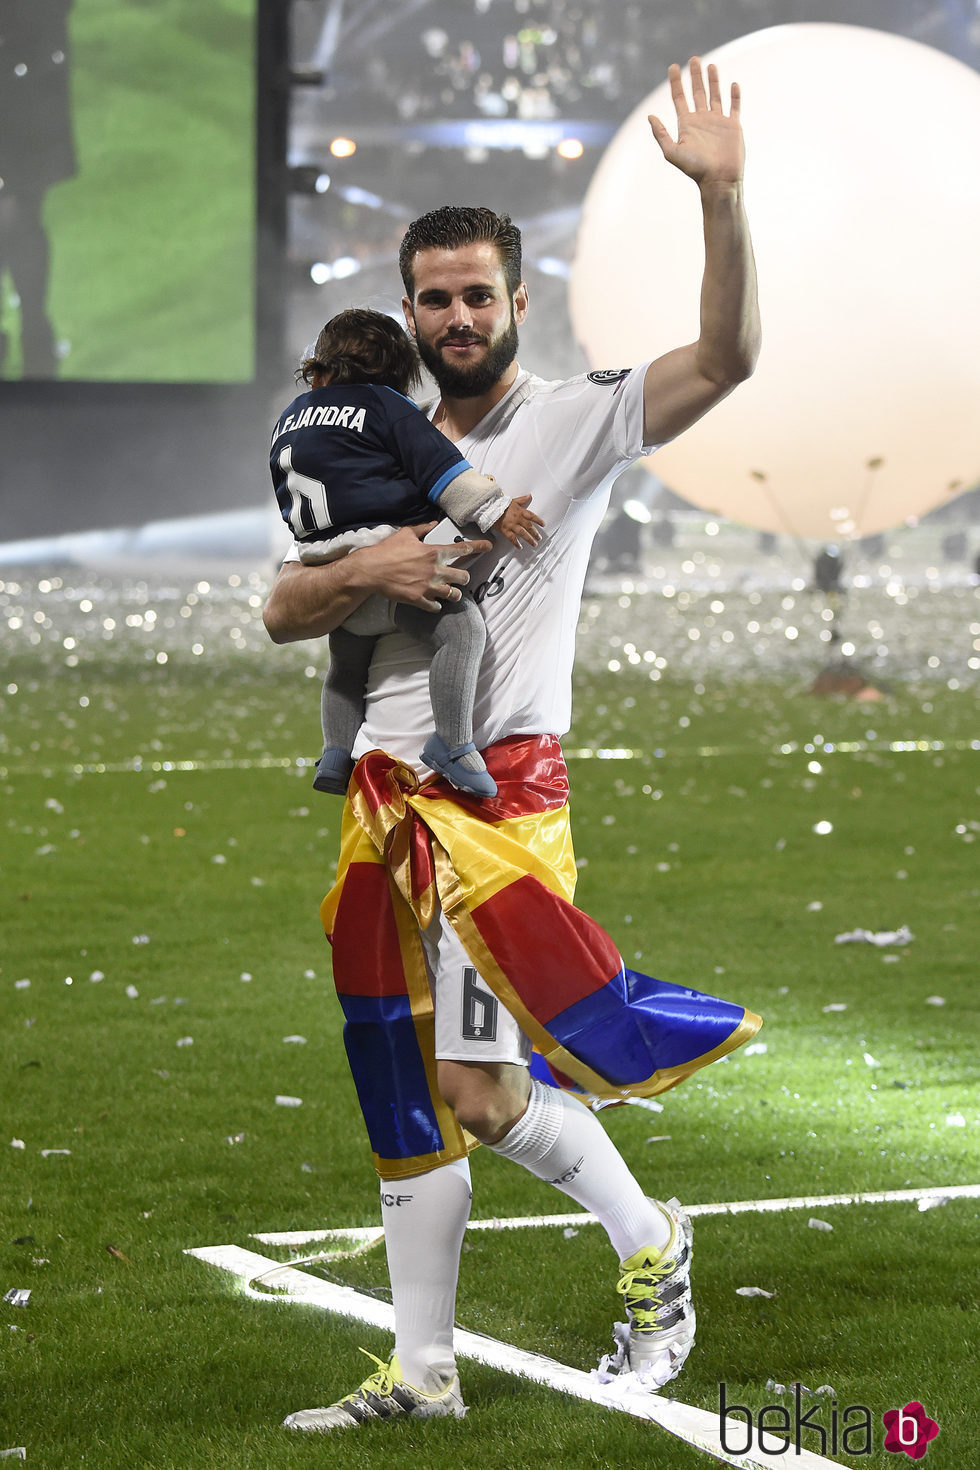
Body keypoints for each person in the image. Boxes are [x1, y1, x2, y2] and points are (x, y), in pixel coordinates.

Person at [263, 57, 761, 1431]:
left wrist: (721, 197)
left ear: (516, 302)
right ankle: (421, 1373)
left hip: (496, 815)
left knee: (483, 1089)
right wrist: (388, 569)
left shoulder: (573, 420)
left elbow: (727, 359)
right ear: (409, 307)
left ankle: (652, 1237)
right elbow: (283, 608)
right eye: (435, 295)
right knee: (405, 1085)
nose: (458, 314)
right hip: (379, 809)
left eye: (480, 292)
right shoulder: (365, 441)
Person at [271, 307, 542, 799]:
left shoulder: (289, 420)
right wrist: (494, 509)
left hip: (323, 566)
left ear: (319, 372)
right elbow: (443, 470)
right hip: (386, 567)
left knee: (346, 668)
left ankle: (335, 752)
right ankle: (454, 744)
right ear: (399, 373)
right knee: (461, 631)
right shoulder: (383, 405)